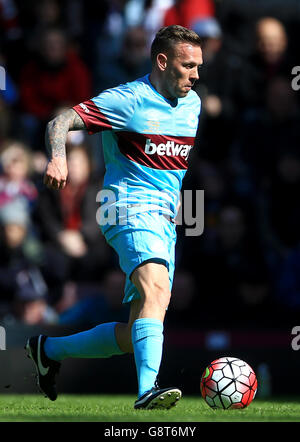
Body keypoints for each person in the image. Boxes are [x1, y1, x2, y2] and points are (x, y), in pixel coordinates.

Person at [25, 25, 203, 410]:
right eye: (188, 66)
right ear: (162, 61)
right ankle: (146, 392)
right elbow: (60, 121)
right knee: (156, 290)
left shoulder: (193, 104)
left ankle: (49, 349)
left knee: (137, 327)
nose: (196, 75)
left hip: (165, 219)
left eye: (198, 67)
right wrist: (58, 156)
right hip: (125, 207)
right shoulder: (129, 100)